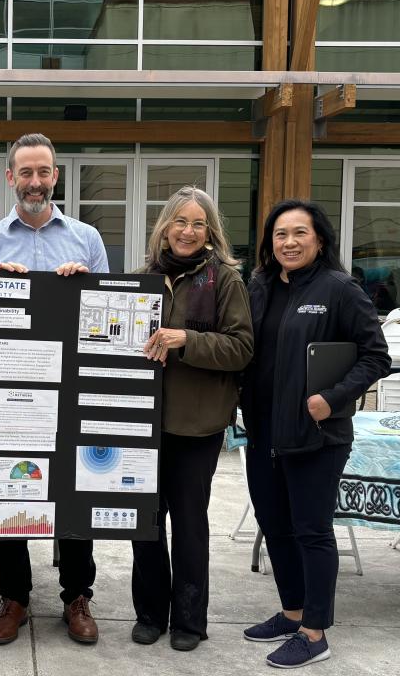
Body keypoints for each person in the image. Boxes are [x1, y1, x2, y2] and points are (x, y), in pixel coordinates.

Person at [0, 133, 107, 645]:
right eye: (26, 173)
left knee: (75, 493)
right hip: (7, 396)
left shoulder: (87, 240)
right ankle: (13, 596)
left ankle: (77, 595)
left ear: (56, 176)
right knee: (7, 488)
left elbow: (107, 320)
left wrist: (84, 287)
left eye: (44, 172)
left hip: (72, 392)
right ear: (10, 178)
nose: (35, 182)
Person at [240, 200, 390, 669]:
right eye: (280, 234)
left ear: (319, 239)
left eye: (299, 233)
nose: (288, 242)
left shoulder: (340, 289)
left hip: (317, 433)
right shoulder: (261, 286)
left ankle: (315, 632)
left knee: (312, 532)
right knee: (276, 526)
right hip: (263, 431)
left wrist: (333, 397)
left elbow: (376, 355)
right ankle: (292, 612)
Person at [131, 187, 253, 651]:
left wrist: (188, 340)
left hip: (196, 424)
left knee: (187, 524)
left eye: (198, 223)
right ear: (164, 226)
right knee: (144, 523)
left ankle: (188, 621)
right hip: (142, 423)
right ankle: (149, 613)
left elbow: (242, 348)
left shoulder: (224, 279)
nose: (187, 231)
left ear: (210, 232)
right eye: (180, 221)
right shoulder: (142, 278)